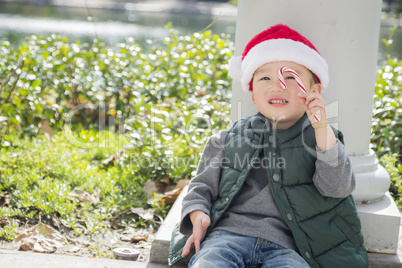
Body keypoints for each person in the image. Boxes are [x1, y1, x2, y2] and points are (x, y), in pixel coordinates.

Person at [168, 24, 368, 268]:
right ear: (253, 94)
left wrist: (322, 129)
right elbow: (201, 186)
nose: (278, 86)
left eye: (291, 77)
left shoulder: (322, 137)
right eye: (265, 77)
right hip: (225, 238)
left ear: (314, 91)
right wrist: (198, 213)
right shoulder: (229, 137)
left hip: (289, 246)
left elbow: (337, 188)